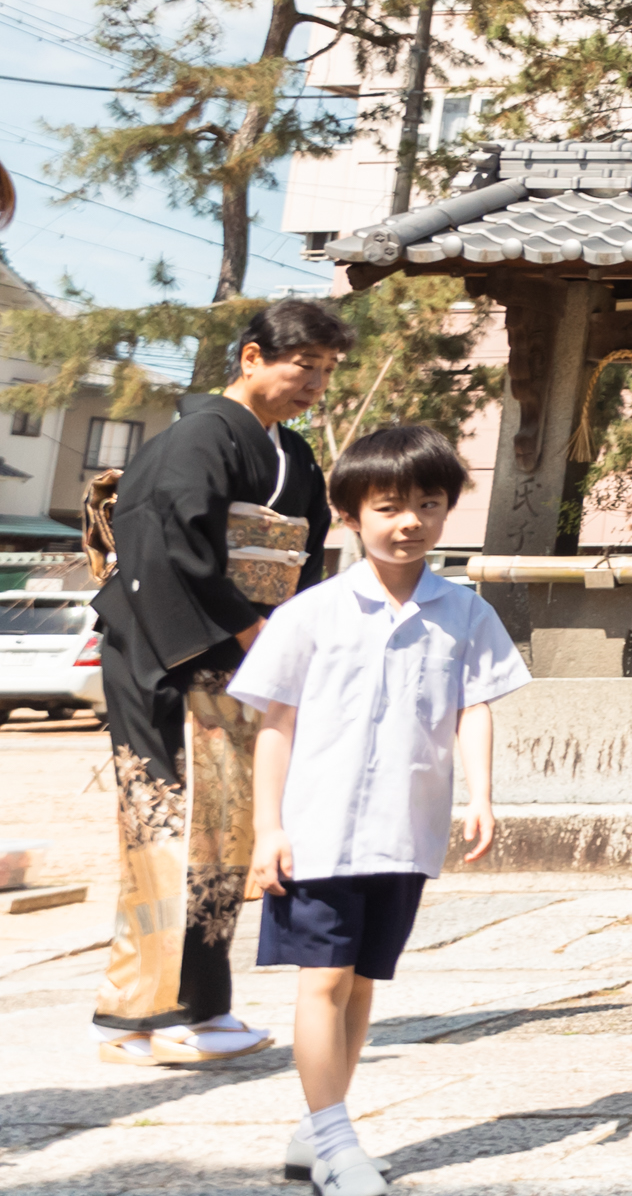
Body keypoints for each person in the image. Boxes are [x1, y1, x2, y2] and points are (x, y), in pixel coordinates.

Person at [234, 424, 528, 1196]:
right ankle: (335, 1141)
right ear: (351, 516)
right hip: (317, 832)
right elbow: (275, 724)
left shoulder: (464, 613)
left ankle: (318, 1127)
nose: (409, 522)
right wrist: (268, 829)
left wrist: (482, 795)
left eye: (428, 505)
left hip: (405, 829)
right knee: (322, 980)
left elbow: (474, 708)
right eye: (389, 505)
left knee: (361, 981)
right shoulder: (312, 613)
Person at [88, 297, 344, 1066]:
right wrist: (256, 635)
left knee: (227, 833)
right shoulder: (196, 438)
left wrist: (287, 636)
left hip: (241, 653)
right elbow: (172, 549)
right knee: (171, 825)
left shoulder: (292, 454)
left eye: (328, 370)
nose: (315, 382)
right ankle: (142, 1014)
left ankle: (197, 1006)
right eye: (304, 364)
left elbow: (304, 555)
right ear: (252, 356)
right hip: (170, 654)